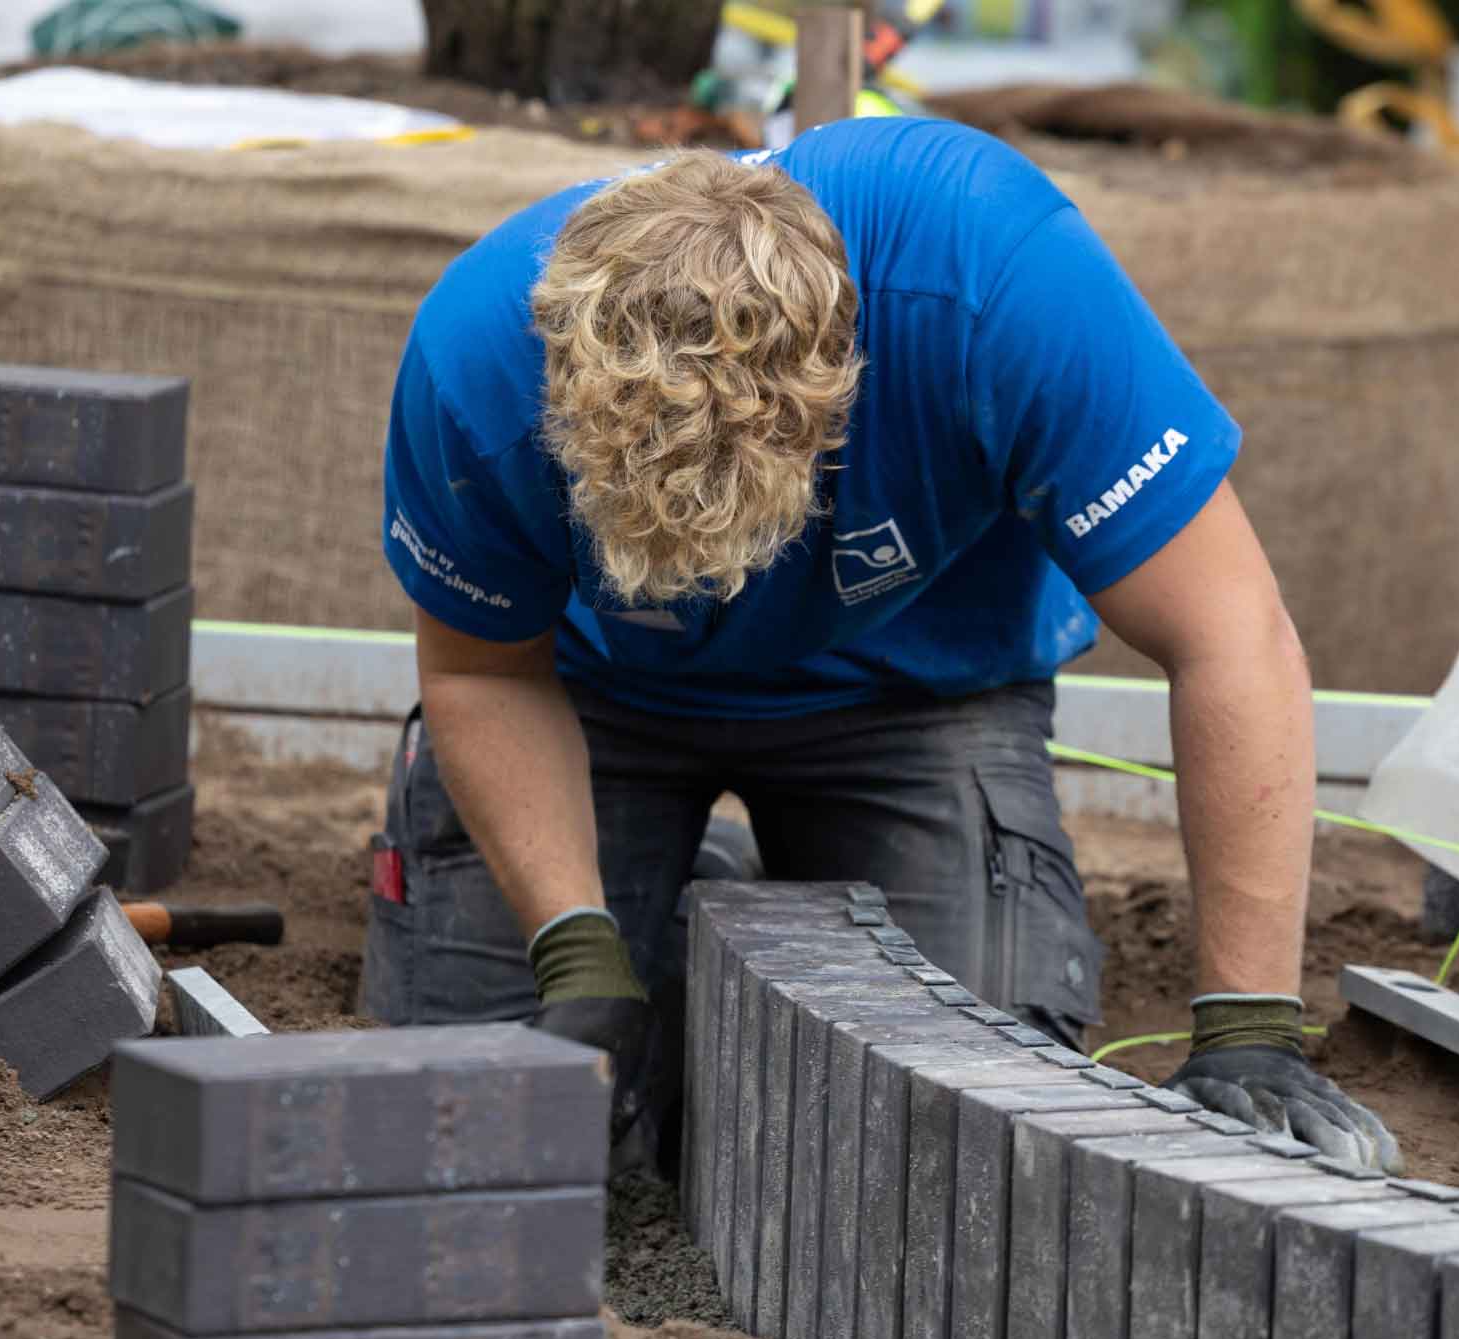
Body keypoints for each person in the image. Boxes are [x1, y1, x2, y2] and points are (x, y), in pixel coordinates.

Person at [361, 114, 1399, 1175]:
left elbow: (1231, 635)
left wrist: (1250, 1029)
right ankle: (661, 904)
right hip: (586, 701)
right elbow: (479, 672)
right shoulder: (475, 361)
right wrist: (576, 951)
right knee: (496, 1121)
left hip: (915, 690)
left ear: (835, 396)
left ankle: (734, 894)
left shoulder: (994, 283)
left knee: (967, 1136)